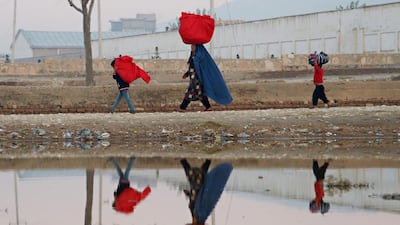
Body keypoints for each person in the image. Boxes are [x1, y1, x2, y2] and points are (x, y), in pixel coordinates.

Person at [177, 44, 212, 112]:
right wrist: (186, 74)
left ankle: (182, 107)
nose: (192, 48)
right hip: (193, 77)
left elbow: (200, 67)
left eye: (193, 46)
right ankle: (208, 107)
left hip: (197, 78)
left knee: (190, 92)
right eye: (191, 46)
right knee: (200, 93)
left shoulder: (199, 56)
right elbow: (192, 67)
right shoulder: (193, 56)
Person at [180, 158, 211, 225]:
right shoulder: (200, 214)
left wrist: (188, 194)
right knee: (194, 176)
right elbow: (200, 201)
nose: (192, 221)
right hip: (199, 190)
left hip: (196, 190)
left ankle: (208, 161)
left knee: (200, 176)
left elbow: (192, 201)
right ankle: (183, 160)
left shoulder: (194, 213)